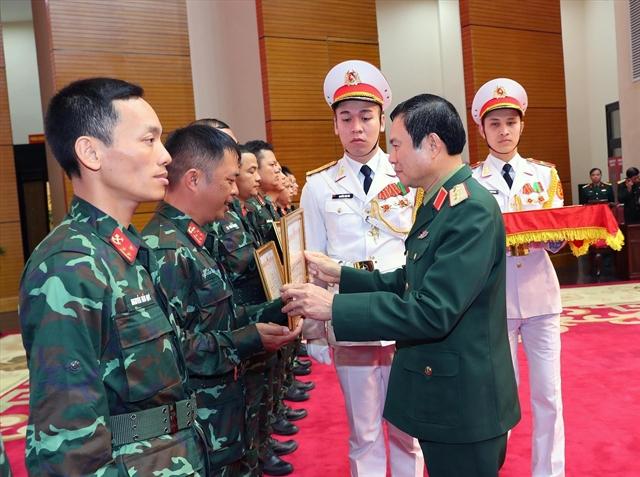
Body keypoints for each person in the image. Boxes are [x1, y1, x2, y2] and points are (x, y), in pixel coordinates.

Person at [282, 93, 520, 477]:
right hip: (446, 389)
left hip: (464, 402)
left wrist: (334, 307)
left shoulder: (469, 210)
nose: (391, 157)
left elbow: (432, 311)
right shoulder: (439, 201)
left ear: (432, 145)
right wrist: (342, 275)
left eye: (397, 145)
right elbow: (410, 278)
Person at [19, 78, 206, 475]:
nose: (166, 156)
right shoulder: (68, 267)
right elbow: (67, 447)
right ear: (90, 152)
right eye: (148, 140)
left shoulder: (125, 250)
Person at [141, 125, 301, 475]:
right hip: (201, 422)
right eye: (229, 180)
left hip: (224, 413)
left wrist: (279, 308)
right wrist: (250, 338)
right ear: (194, 179)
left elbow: (219, 317)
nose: (233, 190)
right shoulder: (165, 250)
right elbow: (177, 351)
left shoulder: (190, 239)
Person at [299, 59, 424, 477]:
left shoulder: (408, 175)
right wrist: (315, 330)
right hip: (349, 316)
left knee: (408, 430)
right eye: (347, 118)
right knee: (364, 432)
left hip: (401, 311)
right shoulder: (318, 185)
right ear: (334, 125)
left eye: (366, 117)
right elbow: (313, 260)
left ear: (382, 121)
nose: (357, 127)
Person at [470, 78, 565, 477]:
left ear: (522, 125)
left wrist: (552, 238)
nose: (504, 131)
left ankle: (549, 472)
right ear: (481, 129)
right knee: (498, 398)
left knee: (549, 395)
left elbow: (558, 238)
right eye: (495, 124)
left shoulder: (544, 174)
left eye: (511, 122)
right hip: (496, 301)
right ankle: (491, 468)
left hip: (541, 297)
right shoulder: (470, 181)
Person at [210, 145, 301, 476]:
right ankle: (258, 452)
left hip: (256, 311)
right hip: (241, 317)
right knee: (249, 397)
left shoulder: (246, 210)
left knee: (262, 385)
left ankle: (263, 443)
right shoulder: (222, 217)